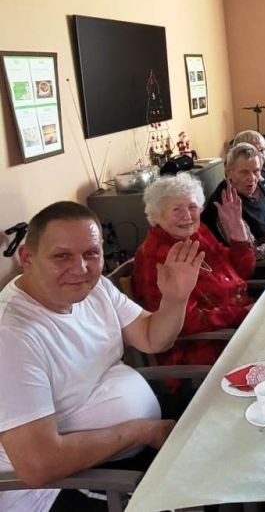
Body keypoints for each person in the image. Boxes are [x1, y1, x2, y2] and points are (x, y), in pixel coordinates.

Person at [0, 201, 202, 511]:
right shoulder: (12, 336)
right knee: (205, 489)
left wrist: (175, 299)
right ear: (27, 257)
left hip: (126, 452)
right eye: (62, 256)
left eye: (91, 254)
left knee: (225, 431)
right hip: (66, 487)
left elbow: (152, 338)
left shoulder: (94, 289)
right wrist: (144, 431)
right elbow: (40, 465)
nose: (80, 268)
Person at [134, 173, 255, 368]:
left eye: (192, 207)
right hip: (205, 348)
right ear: (156, 215)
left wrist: (236, 229)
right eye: (176, 209)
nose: (187, 216)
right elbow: (187, 323)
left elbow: (242, 271)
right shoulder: (157, 256)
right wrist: (241, 313)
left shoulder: (198, 234)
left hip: (239, 326)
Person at [203, 143, 265, 260]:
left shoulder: (255, 189)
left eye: (256, 171)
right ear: (229, 172)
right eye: (244, 172)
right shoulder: (226, 204)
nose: (252, 178)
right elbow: (251, 253)